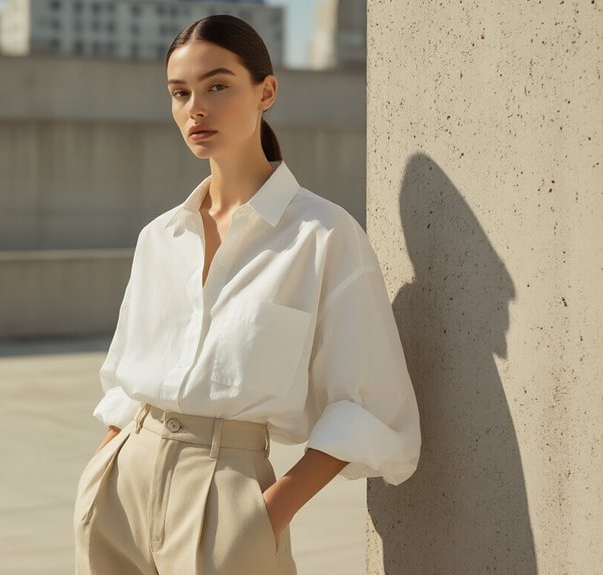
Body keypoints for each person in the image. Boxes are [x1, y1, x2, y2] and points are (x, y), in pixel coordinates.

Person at [72, 14, 422, 575]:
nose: (196, 108)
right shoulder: (161, 237)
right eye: (180, 93)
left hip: (227, 495)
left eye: (217, 85)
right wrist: (101, 472)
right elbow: (124, 378)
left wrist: (261, 520)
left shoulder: (322, 236)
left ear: (267, 91)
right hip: (120, 488)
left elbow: (370, 405)